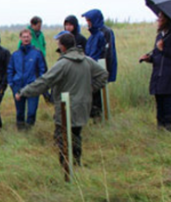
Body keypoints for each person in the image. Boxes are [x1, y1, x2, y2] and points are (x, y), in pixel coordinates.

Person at [15, 32, 108, 167]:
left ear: (63, 47)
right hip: (82, 106)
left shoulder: (63, 64)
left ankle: (66, 168)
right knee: (76, 136)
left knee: (62, 138)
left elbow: (44, 81)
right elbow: (103, 75)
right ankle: (76, 165)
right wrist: (90, 89)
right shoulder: (86, 60)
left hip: (66, 108)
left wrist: (23, 92)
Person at [138, 11, 171, 131]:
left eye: (160, 18)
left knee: (168, 105)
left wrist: (163, 49)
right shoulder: (160, 36)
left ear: (167, 19)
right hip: (158, 78)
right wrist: (148, 58)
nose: (158, 20)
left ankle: (170, 131)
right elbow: (157, 56)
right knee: (159, 106)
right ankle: (160, 130)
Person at [82, 9, 118, 120]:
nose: (87, 23)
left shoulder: (106, 32)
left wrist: (107, 71)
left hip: (100, 70)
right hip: (90, 71)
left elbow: (108, 53)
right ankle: (95, 118)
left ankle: (101, 119)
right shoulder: (92, 36)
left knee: (100, 97)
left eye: (89, 20)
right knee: (92, 97)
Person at [7, 29, 46, 130]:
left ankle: (29, 129)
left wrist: (39, 83)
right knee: (20, 111)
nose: (26, 39)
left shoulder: (37, 53)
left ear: (31, 38)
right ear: (20, 38)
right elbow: (10, 69)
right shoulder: (15, 55)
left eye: (28, 37)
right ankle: (20, 130)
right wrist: (11, 83)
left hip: (33, 86)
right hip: (18, 86)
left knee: (32, 111)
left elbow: (42, 69)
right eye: (24, 37)